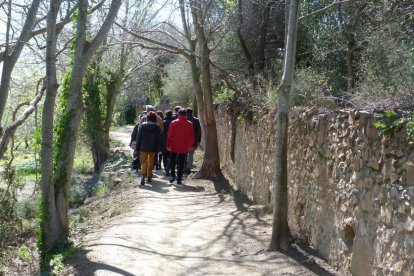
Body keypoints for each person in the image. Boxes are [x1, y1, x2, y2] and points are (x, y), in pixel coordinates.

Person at [167, 108, 194, 184]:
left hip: (174, 145)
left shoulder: (173, 122)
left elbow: (169, 135)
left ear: (178, 114)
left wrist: (168, 144)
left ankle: (173, 175)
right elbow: (191, 136)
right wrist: (190, 146)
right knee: (182, 162)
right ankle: (179, 178)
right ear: (185, 115)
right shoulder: (189, 123)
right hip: (184, 145)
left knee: (173, 161)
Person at [136, 111, 161, 186]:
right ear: (154, 118)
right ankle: (149, 176)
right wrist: (159, 148)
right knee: (151, 162)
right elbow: (158, 139)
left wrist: (137, 147)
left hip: (143, 147)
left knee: (144, 162)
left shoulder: (142, 126)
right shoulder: (157, 127)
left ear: (147, 118)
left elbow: (139, 137)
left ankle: (143, 175)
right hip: (153, 148)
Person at [185, 107, 202, 174]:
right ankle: (189, 167)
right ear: (191, 112)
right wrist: (198, 140)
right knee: (191, 154)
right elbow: (199, 131)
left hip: (184, 140)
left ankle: (184, 167)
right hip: (193, 140)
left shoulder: (185, 119)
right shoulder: (196, 120)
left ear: (186, 113)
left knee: (184, 154)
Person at [161, 110, 174, 176]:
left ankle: (166, 167)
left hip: (164, 141)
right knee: (171, 156)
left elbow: (161, 132)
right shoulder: (173, 122)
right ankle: (169, 166)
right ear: (171, 114)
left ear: (166, 115)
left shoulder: (163, 122)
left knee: (165, 155)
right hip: (172, 141)